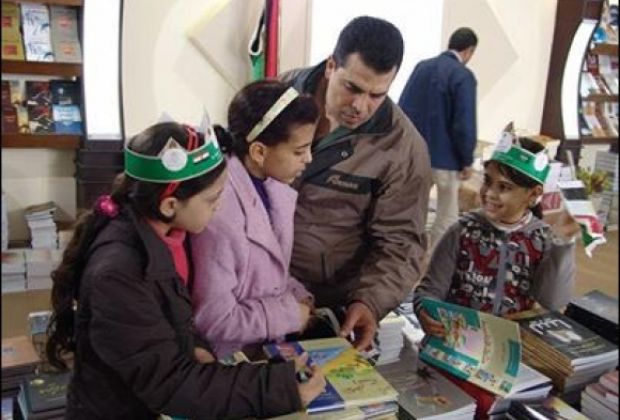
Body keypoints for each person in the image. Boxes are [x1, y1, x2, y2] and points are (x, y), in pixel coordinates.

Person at [45, 121, 325, 419]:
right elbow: (170, 382)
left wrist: (193, 345)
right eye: (213, 198)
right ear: (170, 205)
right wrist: (280, 389)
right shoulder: (119, 275)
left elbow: (167, 318)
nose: (219, 207)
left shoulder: (166, 236)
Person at [280, 16, 432, 351]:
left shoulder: (403, 148)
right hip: (254, 288)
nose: (360, 106)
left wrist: (369, 301)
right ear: (331, 66)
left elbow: (400, 244)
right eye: (352, 88)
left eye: (377, 94)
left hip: (326, 305)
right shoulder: (280, 96)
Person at [413, 136, 580, 418]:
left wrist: (563, 244)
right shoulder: (462, 231)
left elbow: (552, 302)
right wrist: (424, 312)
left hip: (513, 361)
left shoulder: (542, 238)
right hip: (455, 355)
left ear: (533, 194)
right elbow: (428, 290)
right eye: (487, 182)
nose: (489, 193)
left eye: (504, 187)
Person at [191, 80, 319, 358]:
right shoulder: (219, 214)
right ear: (259, 152)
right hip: (230, 356)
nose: (308, 158)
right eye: (299, 151)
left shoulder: (271, 184)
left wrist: (298, 295)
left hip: (265, 347)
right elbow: (214, 320)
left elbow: (267, 274)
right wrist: (290, 314)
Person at [398, 27, 478, 248]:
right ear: (469, 51)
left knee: (412, 212)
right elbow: (464, 122)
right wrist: (467, 160)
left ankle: (407, 255)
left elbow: (402, 109)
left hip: (415, 156)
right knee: (446, 216)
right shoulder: (463, 76)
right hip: (446, 159)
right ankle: (435, 260)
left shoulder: (422, 67)